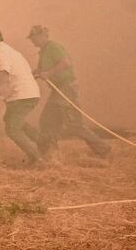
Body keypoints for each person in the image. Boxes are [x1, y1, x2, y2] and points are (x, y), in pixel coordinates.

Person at [28, 25, 110, 158]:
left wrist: (48, 73)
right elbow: (40, 70)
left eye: (34, 37)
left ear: (43, 36)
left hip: (66, 88)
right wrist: (28, 75)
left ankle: (103, 149)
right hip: (59, 90)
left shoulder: (52, 47)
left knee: (73, 124)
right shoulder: (43, 51)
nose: (32, 40)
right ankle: (50, 153)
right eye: (31, 38)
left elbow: (65, 63)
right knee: (48, 120)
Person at [0, 27, 42, 166]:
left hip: (22, 95)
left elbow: (3, 71)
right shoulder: (9, 50)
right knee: (13, 121)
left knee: (13, 128)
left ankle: (38, 158)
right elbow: (7, 77)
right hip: (24, 93)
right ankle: (43, 144)